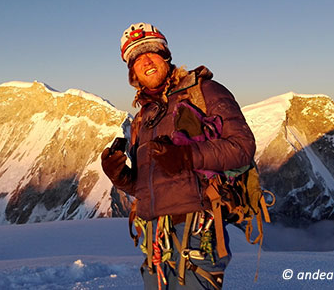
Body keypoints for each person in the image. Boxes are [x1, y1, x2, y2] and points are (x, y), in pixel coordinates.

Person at [101, 22, 256, 289]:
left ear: (165, 55)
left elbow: (242, 147)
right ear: (132, 73)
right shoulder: (144, 117)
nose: (146, 61)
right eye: (136, 58)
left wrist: (186, 156)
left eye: (151, 51)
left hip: (196, 231)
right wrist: (121, 176)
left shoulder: (204, 91)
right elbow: (148, 185)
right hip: (154, 240)